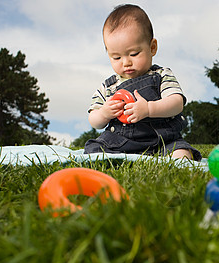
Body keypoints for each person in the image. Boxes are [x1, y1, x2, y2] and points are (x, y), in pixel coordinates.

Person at [84, 4, 201, 161]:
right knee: (94, 150)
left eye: (134, 53)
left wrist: (149, 108)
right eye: (116, 57)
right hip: (120, 143)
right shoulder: (108, 87)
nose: (126, 62)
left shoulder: (161, 75)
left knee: (181, 152)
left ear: (152, 47)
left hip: (161, 140)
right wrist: (104, 113)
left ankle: (175, 159)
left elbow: (176, 103)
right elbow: (94, 119)